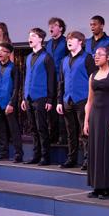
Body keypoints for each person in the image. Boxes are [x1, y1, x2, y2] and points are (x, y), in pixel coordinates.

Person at [84, 46, 109, 199]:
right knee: (96, 150)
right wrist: (86, 121)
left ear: (108, 57)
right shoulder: (92, 76)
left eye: (100, 54)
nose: (96, 56)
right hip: (95, 117)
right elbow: (89, 101)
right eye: (95, 54)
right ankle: (98, 186)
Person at [56, 31, 96, 170]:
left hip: (83, 99)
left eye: (72, 39)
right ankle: (71, 158)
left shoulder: (87, 58)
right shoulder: (64, 60)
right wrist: (59, 101)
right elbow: (61, 82)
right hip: (67, 100)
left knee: (85, 131)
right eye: (68, 39)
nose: (69, 41)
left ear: (80, 42)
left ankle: (87, 160)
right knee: (70, 132)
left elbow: (93, 80)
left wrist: (91, 100)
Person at [21, 28, 55, 166]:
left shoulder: (47, 57)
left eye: (33, 36)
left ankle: (45, 157)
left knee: (42, 128)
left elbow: (51, 79)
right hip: (29, 97)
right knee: (33, 129)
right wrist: (24, 97)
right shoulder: (28, 57)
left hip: (41, 97)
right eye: (29, 36)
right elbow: (26, 78)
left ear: (40, 39)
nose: (30, 38)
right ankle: (36, 155)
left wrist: (50, 99)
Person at [0, 42, 23, 163]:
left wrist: (11, 104)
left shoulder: (14, 68)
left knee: (13, 130)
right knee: (1, 130)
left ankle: (18, 154)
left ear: (8, 54)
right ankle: (3, 152)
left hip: (9, 104)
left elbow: (16, 88)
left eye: (3, 51)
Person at [46, 17, 68, 145]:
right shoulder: (48, 43)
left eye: (54, 25)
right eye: (50, 25)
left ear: (60, 28)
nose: (51, 27)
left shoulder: (66, 42)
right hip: (50, 80)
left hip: (62, 79)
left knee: (61, 108)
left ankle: (63, 136)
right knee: (51, 107)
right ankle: (53, 135)